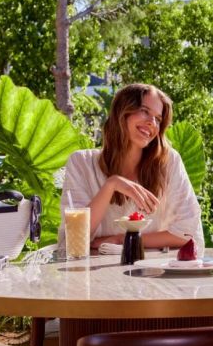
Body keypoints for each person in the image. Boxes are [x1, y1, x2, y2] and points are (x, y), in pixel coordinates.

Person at [59, 83, 204, 252]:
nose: (152, 123)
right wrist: (111, 184)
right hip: (93, 268)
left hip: (149, 267)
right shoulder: (81, 163)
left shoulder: (168, 162)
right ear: (122, 113)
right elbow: (74, 239)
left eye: (158, 119)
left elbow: (188, 234)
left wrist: (124, 239)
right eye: (144, 111)